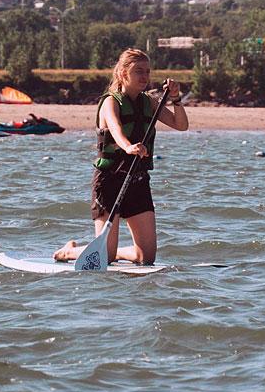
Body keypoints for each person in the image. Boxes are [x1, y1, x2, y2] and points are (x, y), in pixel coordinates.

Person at [53, 48, 188, 266]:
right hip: (110, 180)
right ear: (124, 73)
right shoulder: (110, 102)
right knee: (105, 255)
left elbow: (181, 126)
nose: (145, 77)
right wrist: (128, 147)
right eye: (138, 72)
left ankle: (117, 253)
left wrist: (175, 99)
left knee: (146, 258)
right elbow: (115, 130)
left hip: (137, 180)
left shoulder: (150, 102)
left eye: (147, 71)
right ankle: (70, 252)